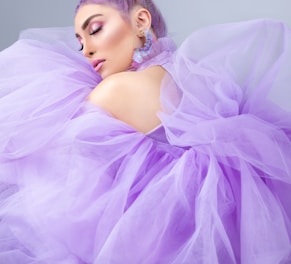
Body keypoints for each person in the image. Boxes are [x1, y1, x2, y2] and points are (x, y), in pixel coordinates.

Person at [0, 0, 291, 263]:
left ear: (141, 21)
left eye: (96, 29)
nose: (87, 49)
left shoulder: (115, 90)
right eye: (80, 41)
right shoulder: (194, 80)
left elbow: (51, 180)